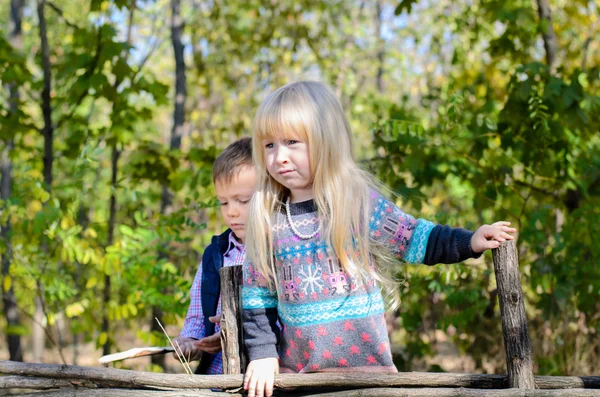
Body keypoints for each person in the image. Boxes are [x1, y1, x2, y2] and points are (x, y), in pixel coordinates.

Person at [241, 81, 516, 397]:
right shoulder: (267, 219)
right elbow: (257, 298)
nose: (279, 157)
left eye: (292, 142)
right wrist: (262, 355)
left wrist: (470, 241)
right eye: (269, 145)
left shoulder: (357, 205)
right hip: (299, 380)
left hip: (368, 377)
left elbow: (414, 238)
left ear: (325, 142)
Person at [173, 137, 256, 374]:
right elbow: (198, 318)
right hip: (216, 379)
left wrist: (237, 331)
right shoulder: (215, 255)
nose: (231, 211)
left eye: (243, 200)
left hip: (266, 377)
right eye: (223, 202)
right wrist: (190, 342)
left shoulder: (281, 252)